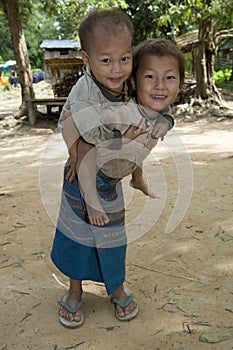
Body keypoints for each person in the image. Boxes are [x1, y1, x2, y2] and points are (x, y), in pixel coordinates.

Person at [51, 9, 185, 328]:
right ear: (87, 59)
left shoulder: (137, 101)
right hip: (81, 173)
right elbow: (77, 134)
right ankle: (74, 292)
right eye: (106, 60)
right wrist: (75, 159)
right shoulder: (87, 94)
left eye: (124, 59)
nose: (117, 69)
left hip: (108, 182)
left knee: (113, 237)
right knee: (77, 237)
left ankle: (117, 289)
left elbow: (134, 154)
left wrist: (137, 175)